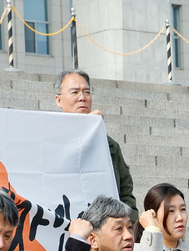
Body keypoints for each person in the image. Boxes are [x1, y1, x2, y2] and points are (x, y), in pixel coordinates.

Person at [53, 70, 137, 220]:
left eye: (86, 92)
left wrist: (131, 226)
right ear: (59, 100)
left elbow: (125, 193)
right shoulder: (49, 138)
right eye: (75, 92)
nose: (82, 98)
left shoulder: (110, 145)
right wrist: (81, 130)